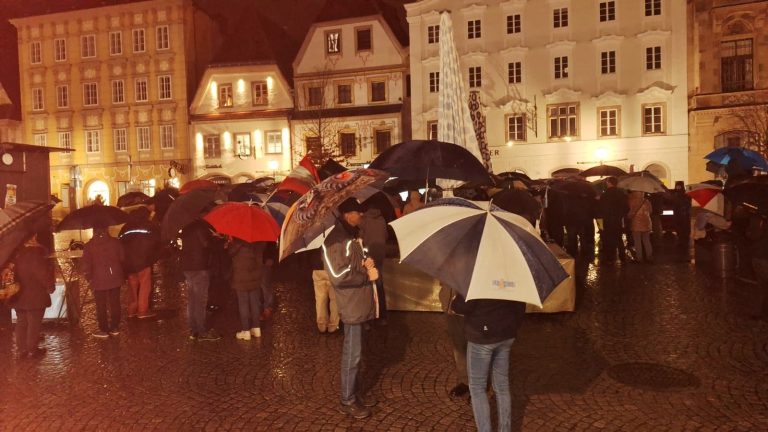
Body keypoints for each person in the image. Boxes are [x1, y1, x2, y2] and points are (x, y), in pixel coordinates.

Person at [322, 198, 379, 419]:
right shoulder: (336, 240)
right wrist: (366, 274)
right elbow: (338, 276)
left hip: (359, 302)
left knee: (358, 353)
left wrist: (367, 262)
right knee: (352, 355)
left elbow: (354, 264)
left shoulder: (351, 236)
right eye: (357, 212)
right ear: (347, 215)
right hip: (351, 304)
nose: (361, 215)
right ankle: (347, 400)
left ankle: (354, 393)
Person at [452, 295, 526, 432]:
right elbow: (520, 307)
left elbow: (462, 306)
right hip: (506, 335)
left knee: (477, 388)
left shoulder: (478, 281)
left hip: (482, 337)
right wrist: (512, 327)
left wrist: (455, 301)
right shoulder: (515, 281)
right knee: (502, 387)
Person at [9, 233, 54, 359]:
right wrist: (50, 286)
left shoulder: (16, 254)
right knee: (34, 322)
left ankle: (21, 349)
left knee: (21, 322)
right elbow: (42, 273)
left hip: (18, 295)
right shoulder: (34, 254)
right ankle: (32, 350)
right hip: (34, 295)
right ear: (32, 239)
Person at [82, 226, 126, 338]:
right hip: (115, 277)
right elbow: (122, 258)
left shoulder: (89, 246)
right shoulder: (115, 242)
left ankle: (103, 329)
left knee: (100, 305)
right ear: (107, 229)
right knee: (115, 302)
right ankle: (115, 327)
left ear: (93, 231)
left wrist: (89, 277)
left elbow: (86, 265)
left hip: (98, 279)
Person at [180, 220, 220, 341]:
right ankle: (202, 331)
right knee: (200, 300)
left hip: (187, 267)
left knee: (192, 299)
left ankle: (194, 330)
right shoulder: (201, 227)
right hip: (200, 267)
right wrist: (216, 238)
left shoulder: (185, 227)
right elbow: (207, 244)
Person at [118, 207, 160, 319]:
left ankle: (132, 310)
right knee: (144, 286)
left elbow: (120, 243)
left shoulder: (125, 227)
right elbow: (157, 243)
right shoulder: (150, 226)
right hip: (143, 262)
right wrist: (153, 258)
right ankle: (142, 311)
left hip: (128, 264)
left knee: (132, 288)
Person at [227, 238, 265, 341]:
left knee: (243, 304)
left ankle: (246, 330)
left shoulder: (237, 241)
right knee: (254, 303)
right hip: (255, 276)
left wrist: (230, 243)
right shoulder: (260, 241)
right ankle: (256, 328)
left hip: (241, 277)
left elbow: (230, 253)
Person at [360, 203, 388, 325]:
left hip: (368, 256)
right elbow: (386, 236)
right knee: (379, 284)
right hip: (380, 254)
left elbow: (360, 237)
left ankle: (368, 318)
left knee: (368, 286)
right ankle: (382, 316)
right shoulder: (382, 219)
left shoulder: (364, 220)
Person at [599, 177, 629, 263]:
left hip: (607, 220)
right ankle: (622, 257)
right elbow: (626, 208)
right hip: (618, 220)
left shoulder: (605, 194)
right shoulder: (622, 194)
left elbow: (602, 208)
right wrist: (621, 215)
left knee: (608, 239)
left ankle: (610, 258)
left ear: (609, 183)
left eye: (607, 182)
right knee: (619, 238)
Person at [311, 249, 339, 333]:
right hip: (334, 268)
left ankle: (322, 324)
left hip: (318, 268)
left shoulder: (312, 241)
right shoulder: (336, 241)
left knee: (320, 298)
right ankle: (333, 324)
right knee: (335, 299)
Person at [628, 191, 653, 263]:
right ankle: (649, 256)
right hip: (646, 223)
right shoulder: (646, 201)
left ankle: (639, 258)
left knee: (637, 241)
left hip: (636, 224)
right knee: (646, 240)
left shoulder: (631, 200)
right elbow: (651, 211)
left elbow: (630, 212)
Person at [260, 241, 277, 321]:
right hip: (263, 261)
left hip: (266, 261)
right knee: (265, 286)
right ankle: (267, 308)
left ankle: (268, 308)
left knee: (266, 286)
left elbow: (272, 246)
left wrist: (270, 258)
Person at [673, 181, 692, 249]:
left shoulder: (686, 195)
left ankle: (684, 242)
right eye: (677, 186)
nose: (678, 188)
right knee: (678, 228)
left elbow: (688, 204)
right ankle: (681, 241)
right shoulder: (675, 194)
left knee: (684, 229)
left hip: (684, 215)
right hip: (678, 214)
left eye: (679, 186)